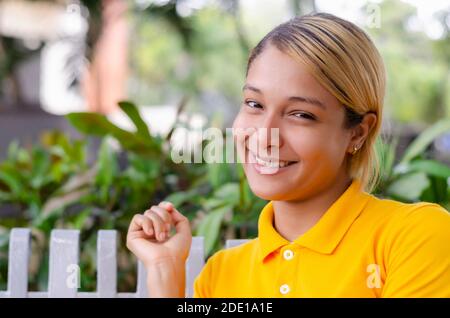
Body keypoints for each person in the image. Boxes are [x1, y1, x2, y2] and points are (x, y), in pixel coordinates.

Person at [126, 13, 450, 298]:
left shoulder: (414, 237)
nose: (266, 135)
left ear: (358, 132)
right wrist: (165, 272)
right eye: (254, 104)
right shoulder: (221, 274)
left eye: (301, 115)